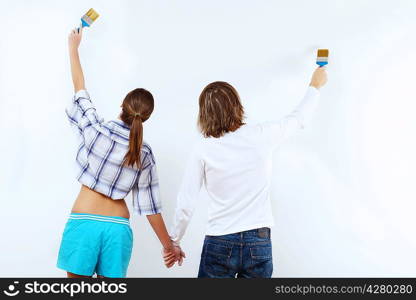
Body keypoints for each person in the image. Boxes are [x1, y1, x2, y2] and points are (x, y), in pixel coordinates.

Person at [168, 67, 327, 278]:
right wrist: (315, 85)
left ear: (204, 114)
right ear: (237, 105)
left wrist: (174, 240)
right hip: (258, 241)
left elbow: (186, 201)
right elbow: (298, 118)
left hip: (219, 241)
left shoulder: (203, 148)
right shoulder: (261, 135)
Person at [57, 26, 184, 278]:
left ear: (122, 106)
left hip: (85, 223)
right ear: (145, 118)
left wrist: (73, 47)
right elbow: (151, 208)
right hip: (118, 229)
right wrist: (169, 246)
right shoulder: (143, 152)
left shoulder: (95, 129)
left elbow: (80, 88)